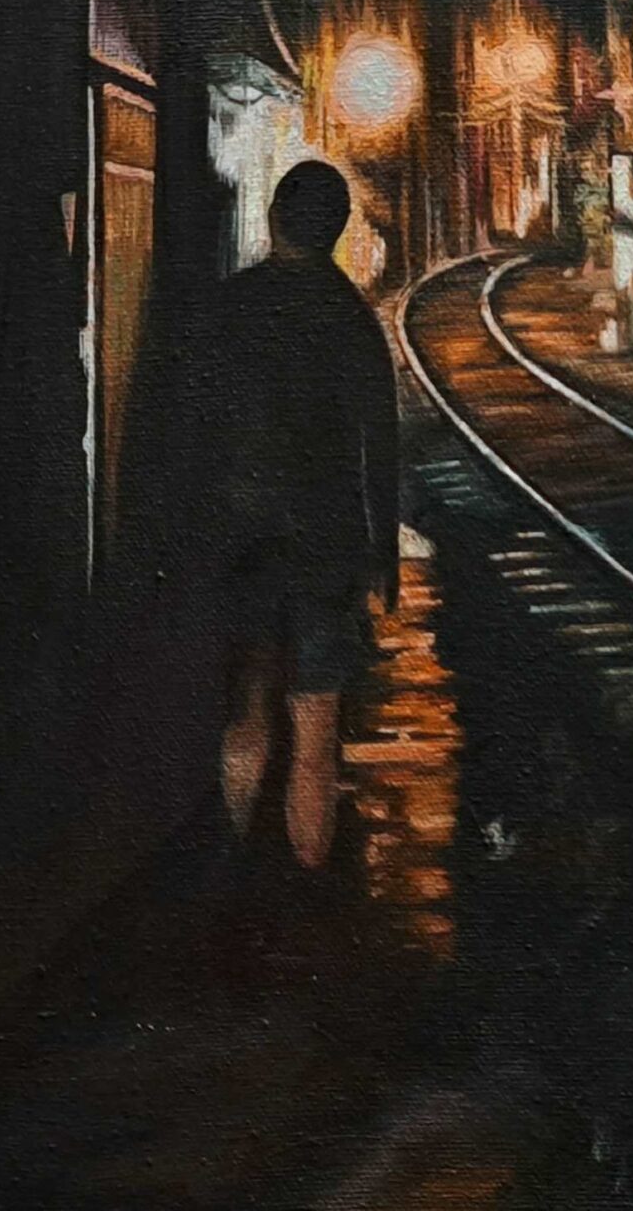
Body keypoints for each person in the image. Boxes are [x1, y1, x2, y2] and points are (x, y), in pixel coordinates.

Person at [207, 160, 398, 870]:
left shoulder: (231, 308)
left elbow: (195, 428)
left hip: (243, 542)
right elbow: (378, 447)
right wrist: (383, 555)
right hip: (326, 548)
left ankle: (232, 853)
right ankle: (310, 872)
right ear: (338, 230)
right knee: (317, 731)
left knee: (246, 707)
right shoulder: (352, 318)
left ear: (272, 220)